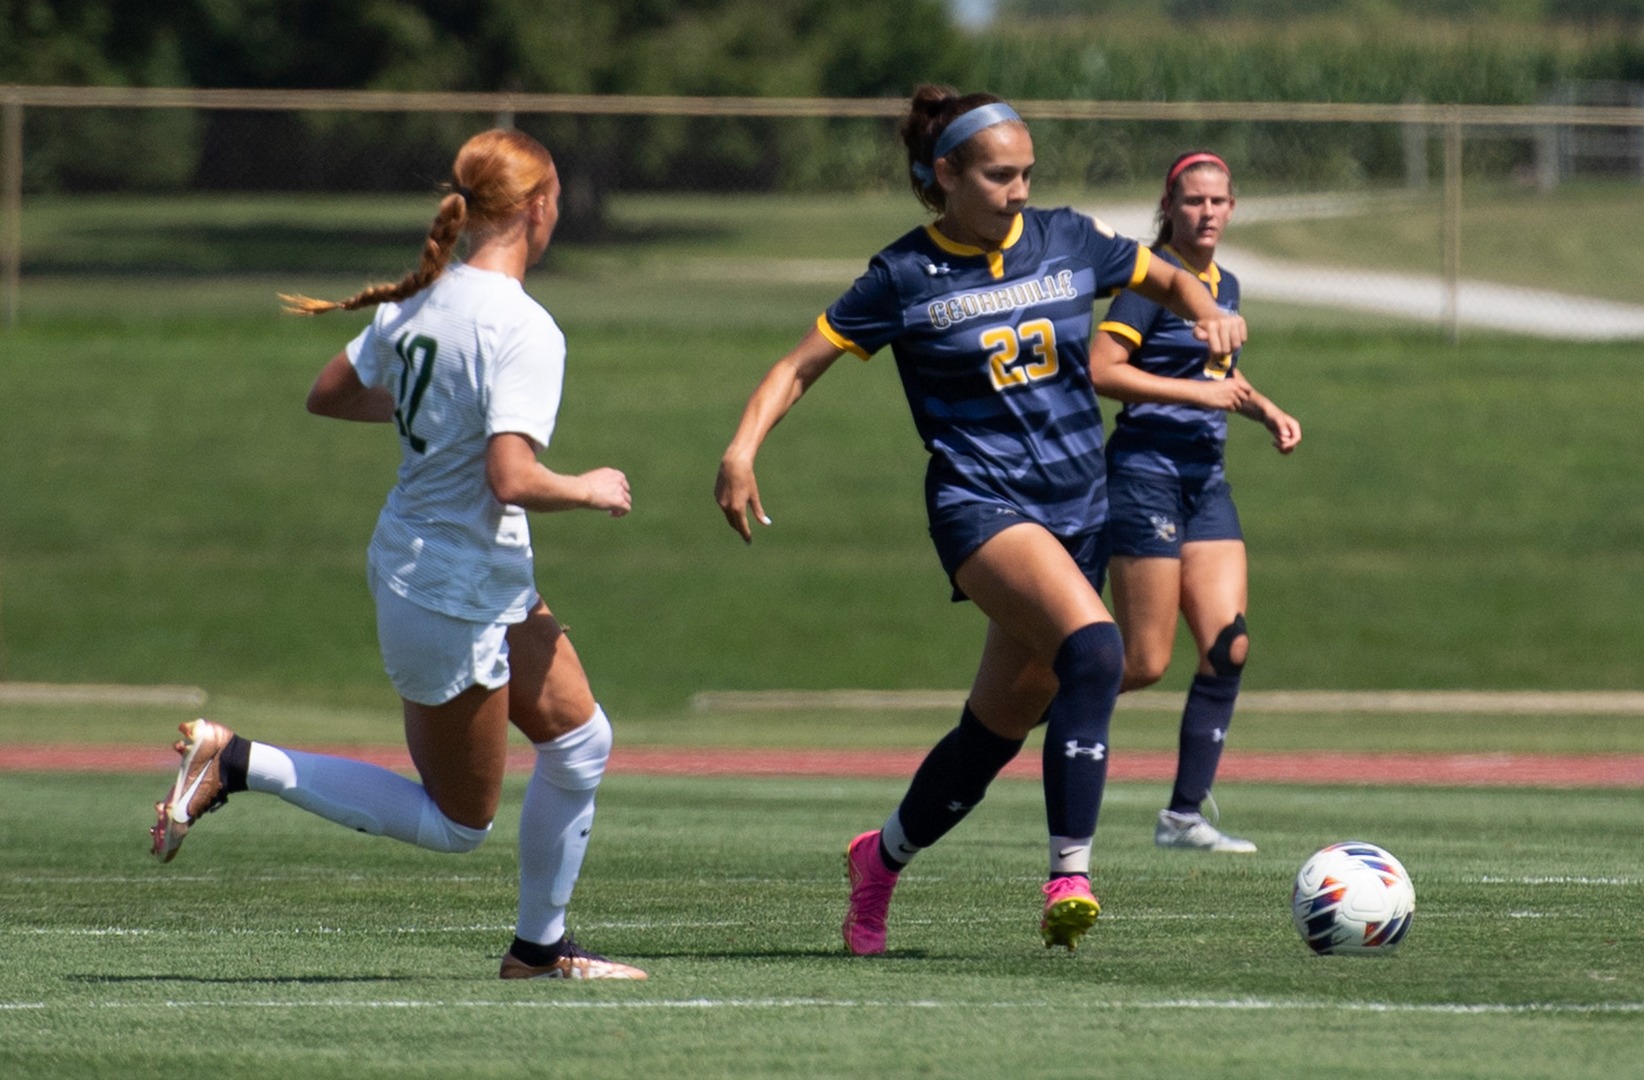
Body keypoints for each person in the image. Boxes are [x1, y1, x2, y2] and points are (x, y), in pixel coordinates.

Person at [714, 87, 1248, 955]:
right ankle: (1069, 873)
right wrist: (742, 448)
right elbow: (798, 365)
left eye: (1028, 173)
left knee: (992, 734)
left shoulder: (1067, 238)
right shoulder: (902, 276)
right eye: (1000, 175)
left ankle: (878, 860)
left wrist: (1205, 309)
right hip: (981, 506)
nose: (1020, 191)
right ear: (944, 174)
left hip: (1081, 509)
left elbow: (1163, 274)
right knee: (1099, 650)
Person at [149, 128, 647, 981]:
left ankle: (540, 950)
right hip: (445, 591)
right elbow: (512, 476)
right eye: (555, 197)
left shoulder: (420, 299)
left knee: (581, 741)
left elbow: (330, 394)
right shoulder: (524, 327)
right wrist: (590, 485)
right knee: (461, 824)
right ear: (536, 207)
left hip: (470, 576)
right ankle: (237, 761)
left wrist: (441, 417)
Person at [1089, 151, 1302, 854]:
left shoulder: (1226, 285)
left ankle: (1182, 817)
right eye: (1192, 201)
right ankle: (1022, 710)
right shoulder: (1153, 282)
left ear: (1233, 208)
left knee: (1228, 645)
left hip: (1204, 480)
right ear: (1169, 208)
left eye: (1218, 201)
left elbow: (1219, 374)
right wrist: (1201, 393)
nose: (1206, 212)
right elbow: (1102, 370)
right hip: (1145, 473)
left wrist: (1264, 408)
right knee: (1144, 663)